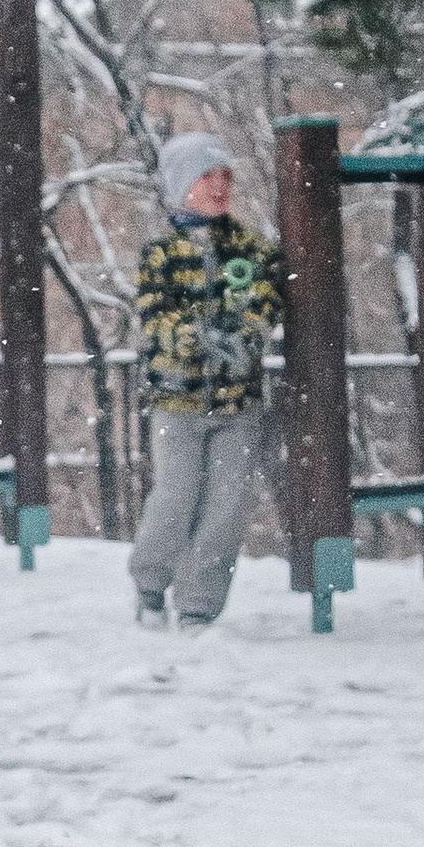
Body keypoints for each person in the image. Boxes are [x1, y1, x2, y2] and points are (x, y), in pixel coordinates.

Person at [129, 131, 283, 628]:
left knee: (226, 509)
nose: (219, 186)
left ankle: (199, 605)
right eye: (206, 176)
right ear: (182, 185)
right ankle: (151, 584)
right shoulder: (162, 254)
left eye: (225, 177)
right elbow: (157, 319)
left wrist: (245, 332)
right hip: (178, 404)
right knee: (174, 499)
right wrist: (199, 338)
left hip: (238, 406)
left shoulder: (248, 248)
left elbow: (263, 301)